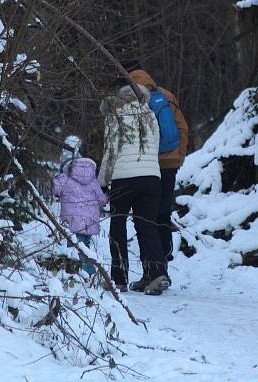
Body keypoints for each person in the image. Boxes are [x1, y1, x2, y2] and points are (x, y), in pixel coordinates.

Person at [98, 78, 170, 295]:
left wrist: (102, 182)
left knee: (117, 226)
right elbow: (155, 146)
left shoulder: (115, 115)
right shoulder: (150, 115)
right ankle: (155, 274)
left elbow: (110, 153)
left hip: (123, 178)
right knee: (147, 226)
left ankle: (119, 279)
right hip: (151, 177)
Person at [123, 61, 188, 287]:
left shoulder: (134, 100)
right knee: (162, 214)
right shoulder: (166, 95)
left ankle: (153, 271)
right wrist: (178, 157)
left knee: (145, 219)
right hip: (169, 163)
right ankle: (163, 265)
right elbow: (182, 129)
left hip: (148, 166)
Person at [53, 156, 108, 276]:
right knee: (86, 248)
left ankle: (80, 274)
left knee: (74, 249)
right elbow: (102, 199)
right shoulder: (94, 181)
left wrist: (55, 179)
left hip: (72, 221)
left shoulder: (64, 178)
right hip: (90, 222)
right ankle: (88, 273)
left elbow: (55, 190)